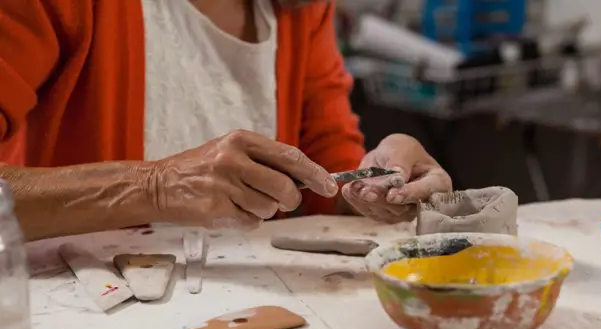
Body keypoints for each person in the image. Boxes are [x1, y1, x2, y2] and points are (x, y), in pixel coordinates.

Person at [0, 0, 452, 242]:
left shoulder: (301, 9)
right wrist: (155, 186)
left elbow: (327, 181)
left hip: (251, 317)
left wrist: (378, 186)